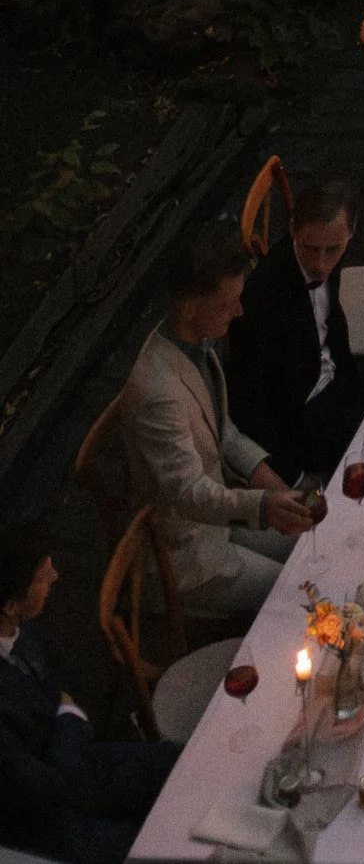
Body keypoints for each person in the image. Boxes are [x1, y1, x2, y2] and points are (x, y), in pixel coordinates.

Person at [123, 227, 321, 622]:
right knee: (307, 595)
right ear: (193, 305)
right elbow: (189, 493)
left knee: (318, 544)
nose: (240, 311)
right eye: (229, 302)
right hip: (192, 555)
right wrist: (264, 507)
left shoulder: (194, 343)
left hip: (223, 520)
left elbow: (225, 433)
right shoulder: (158, 392)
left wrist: (280, 491)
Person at [0, 522, 176, 864]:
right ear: (10, 605)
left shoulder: (23, 630)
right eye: (40, 573)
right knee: (156, 846)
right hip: (47, 820)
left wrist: (67, 722)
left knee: (181, 765)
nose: (53, 575)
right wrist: (69, 719)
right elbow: (45, 791)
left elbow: (59, 688)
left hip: (75, 760)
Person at [226, 180, 364, 485]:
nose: (320, 264)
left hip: (338, 383)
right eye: (310, 249)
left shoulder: (328, 255)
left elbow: (331, 325)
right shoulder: (261, 298)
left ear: (351, 233)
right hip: (301, 420)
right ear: (292, 229)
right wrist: (291, 476)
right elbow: (248, 403)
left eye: (332, 250)